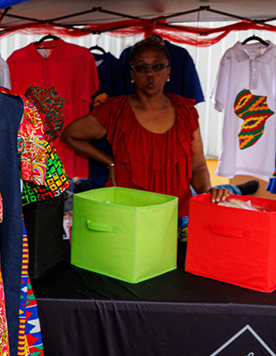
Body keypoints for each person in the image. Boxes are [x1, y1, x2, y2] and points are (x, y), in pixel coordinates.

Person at [61, 36, 257, 232]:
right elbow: (69, 135)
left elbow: (197, 165)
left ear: (168, 71)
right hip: (128, 215)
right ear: (132, 74)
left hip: (176, 216)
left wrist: (207, 192)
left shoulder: (186, 112)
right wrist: (109, 162)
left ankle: (238, 189)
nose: (150, 74)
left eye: (157, 66)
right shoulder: (115, 111)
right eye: (141, 67)